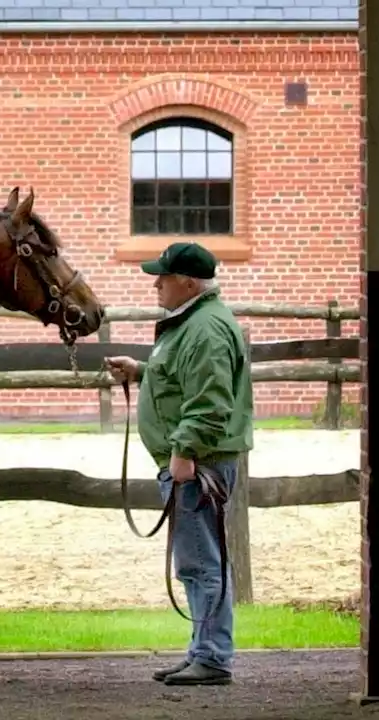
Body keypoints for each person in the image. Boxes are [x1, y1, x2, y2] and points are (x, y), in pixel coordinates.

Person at [103, 241, 254, 687]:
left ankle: (211, 657)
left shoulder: (204, 329)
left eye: (163, 277)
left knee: (201, 562)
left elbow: (209, 401)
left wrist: (185, 452)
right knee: (196, 559)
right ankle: (202, 652)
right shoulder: (195, 324)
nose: (156, 284)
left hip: (198, 463)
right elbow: (185, 379)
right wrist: (142, 371)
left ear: (187, 283)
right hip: (195, 460)